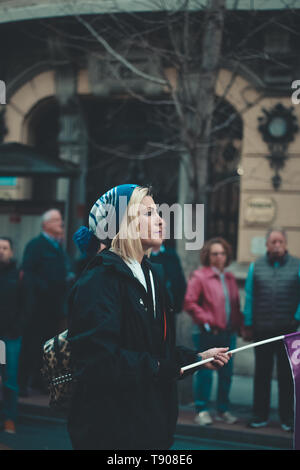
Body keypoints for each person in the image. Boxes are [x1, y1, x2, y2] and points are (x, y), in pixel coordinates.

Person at [67, 184, 231, 450]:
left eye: (158, 212)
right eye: (148, 213)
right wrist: (161, 368)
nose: (160, 220)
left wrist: (197, 359)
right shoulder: (98, 281)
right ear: (122, 224)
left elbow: (154, 349)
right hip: (110, 431)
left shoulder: (153, 275)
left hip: (152, 426)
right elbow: (98, 361)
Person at [243, 228, 300, 431]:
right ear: (267, 244)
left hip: (289, 331)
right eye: (273, 242)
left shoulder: (297, 265)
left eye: (280, 242)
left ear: (286, 244)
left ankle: (288, 418)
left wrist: (297, 318)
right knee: (262, 374)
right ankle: (260, 416)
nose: (277, 245)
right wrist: (248, 323)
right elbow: (249, 296)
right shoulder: (256, 266)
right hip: (262, 330)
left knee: (287, 376)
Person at [184, 237, 243, 426]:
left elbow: (234, 305)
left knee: (227, 374)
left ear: (227, 256)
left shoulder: (230, 277)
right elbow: (189, 302)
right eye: (215, 253)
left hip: (228, 333)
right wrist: (207, 321)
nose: (219, 257)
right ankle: (202, 410)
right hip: (207, 333)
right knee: (205, 373)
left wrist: (239, 324)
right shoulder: (200, 276)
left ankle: (223, 410)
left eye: (222, 253)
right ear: (207, 256)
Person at [18, 209, 72, 396]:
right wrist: (45, 289)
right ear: (45, 225)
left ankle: (41, 382)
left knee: (48, 347)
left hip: (54, 308)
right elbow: (28, 274)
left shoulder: (58, 247)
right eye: (56, 220)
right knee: (31, 344)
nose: (61, 223)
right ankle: (22, 383)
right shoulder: (36, 245)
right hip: (38, 307)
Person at [0, 237, 23, 434]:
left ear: (11, 252)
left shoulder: (19, 275)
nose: (1, 251)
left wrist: (17, 327)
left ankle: (9, 418)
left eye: (5, 248)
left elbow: (26, 305)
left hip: (10, 337)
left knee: (9, 380)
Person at [150, 243, 186, 314]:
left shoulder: (171, 254)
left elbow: (179, 280)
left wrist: (177, 304)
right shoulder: (145, 255)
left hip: (169, 306)